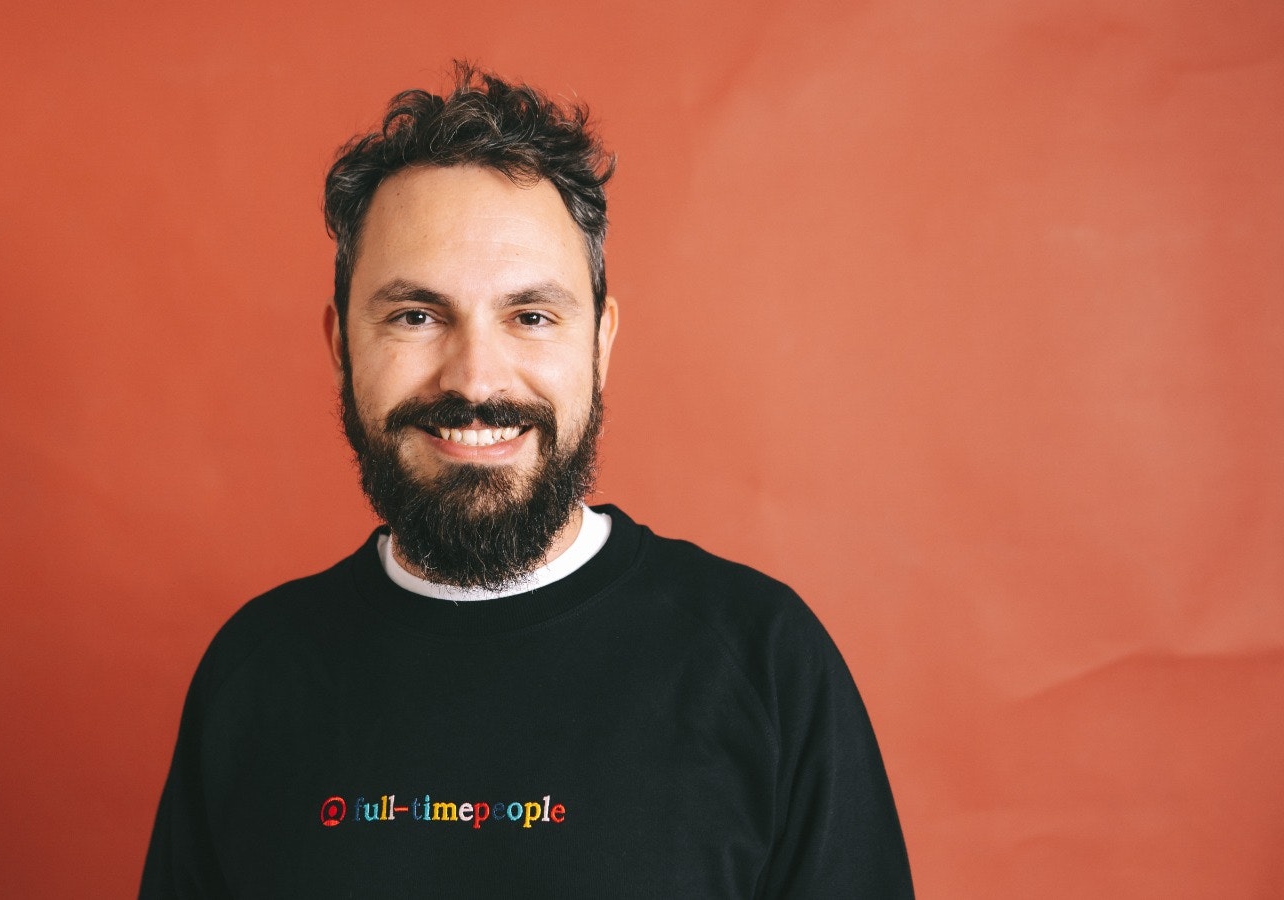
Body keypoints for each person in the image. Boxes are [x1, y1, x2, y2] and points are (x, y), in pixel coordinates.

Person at [140, 63, 913, 899]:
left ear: (600, 343)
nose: (476, 379)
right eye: (416, 315)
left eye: (531, 316)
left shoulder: (762, 663)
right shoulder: (256, 674)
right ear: (340, 346)